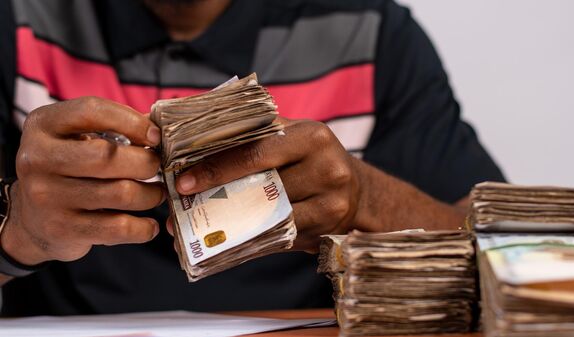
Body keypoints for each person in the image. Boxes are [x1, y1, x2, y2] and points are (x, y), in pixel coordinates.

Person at [0, 0, 504, 316]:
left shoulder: (371, 31)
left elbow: (513, 260)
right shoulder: (15, 22)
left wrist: (366, 200)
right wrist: (16, 236)